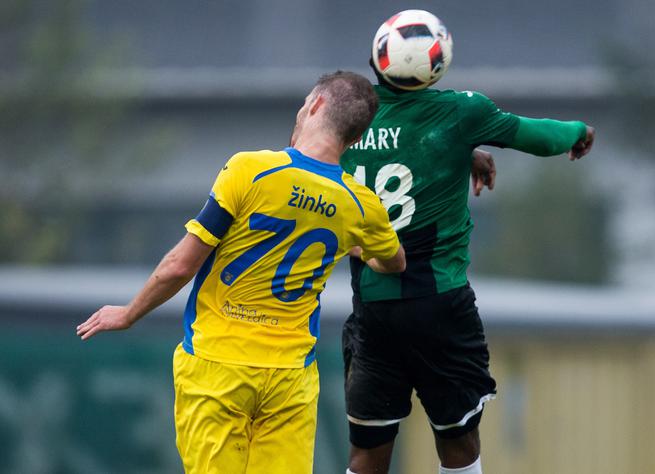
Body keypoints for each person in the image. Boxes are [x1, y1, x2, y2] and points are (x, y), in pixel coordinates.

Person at [76, 71, 406, 474]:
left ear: (316, 104)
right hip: (290, 376)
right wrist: (354, 244)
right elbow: (394, 262)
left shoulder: (250, 169)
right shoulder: (360, 205)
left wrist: (129, 314)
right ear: (355, 140)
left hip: (217, 366)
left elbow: (181, 265)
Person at [340, 15, 595, 474]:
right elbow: (536, 136)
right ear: (438, 64)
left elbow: (389, 149)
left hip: (373, 309)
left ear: (377, 56)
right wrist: (578, 131)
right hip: (440, 306)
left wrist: (462, 154)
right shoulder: (460, 113)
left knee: (368, 453)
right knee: (458, 442)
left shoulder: (348, 117)